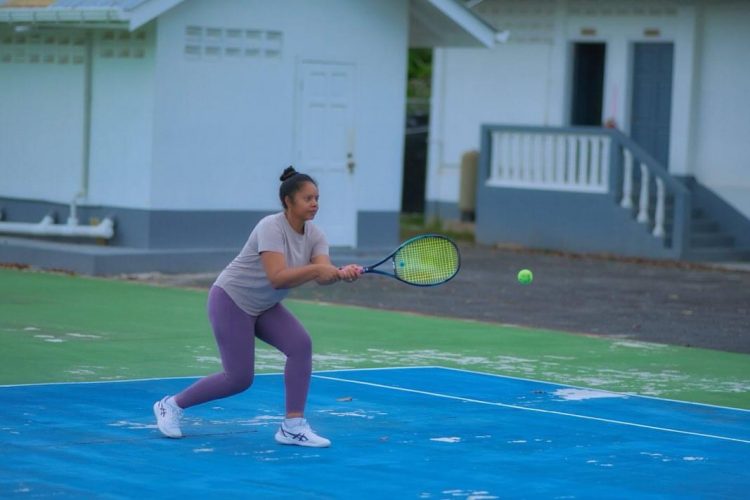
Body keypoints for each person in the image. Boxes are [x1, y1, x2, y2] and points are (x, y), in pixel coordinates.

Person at [153, 166, 362, 447]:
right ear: (288, 201)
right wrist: (317, 270)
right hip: (231, 299)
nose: (315, 204)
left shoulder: (316, 235)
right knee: (238, 379)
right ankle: (171, 405)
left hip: (264, 305)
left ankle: (292, 426)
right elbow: (277, 278)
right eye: (308, 198)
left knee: (300, 345)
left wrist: (340, 274)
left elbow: (322, 272)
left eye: (317, 198)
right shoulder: (270, 227)